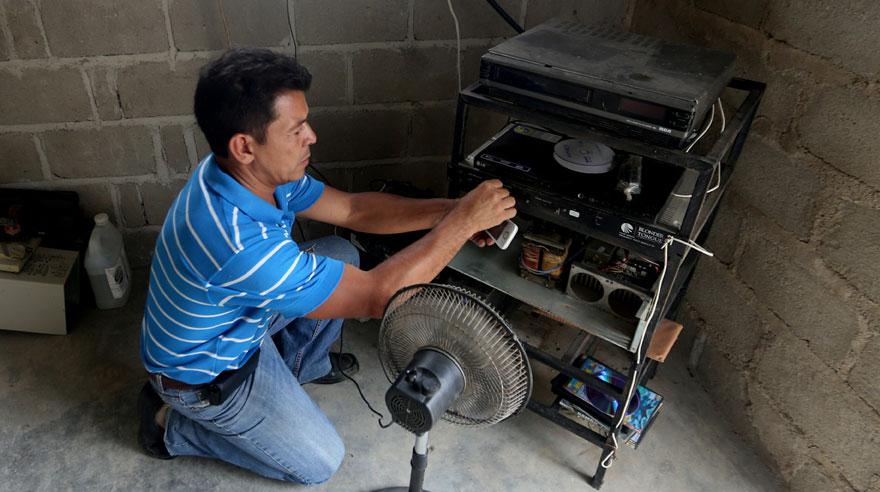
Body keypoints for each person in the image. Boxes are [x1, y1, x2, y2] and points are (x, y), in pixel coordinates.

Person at [137, 48, 515, 484]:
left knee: (340, 252)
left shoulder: (246, 172)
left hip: (231, 320)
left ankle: (300, 370)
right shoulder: (237, 242)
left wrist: (453, 211)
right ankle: (172, 427)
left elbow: (354, 210)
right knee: (320, 462)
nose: (311, 137)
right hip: (205, 375)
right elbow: (377, 297)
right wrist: (465, 223)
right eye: (296, 129)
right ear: (244, 146)